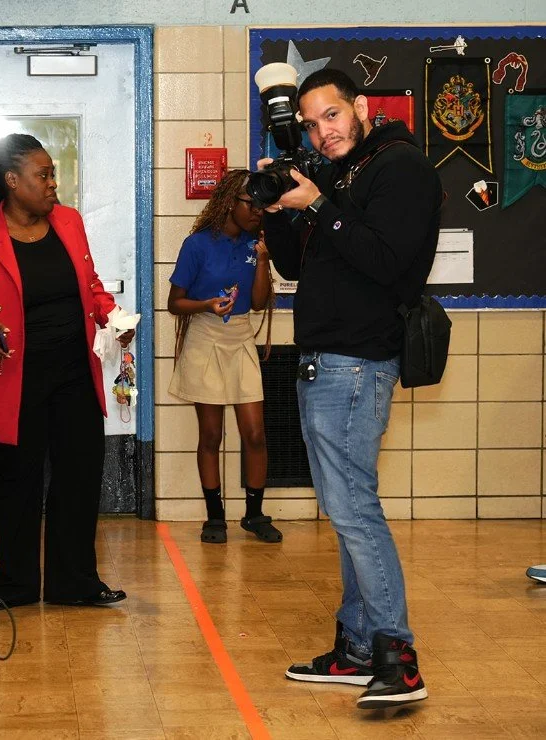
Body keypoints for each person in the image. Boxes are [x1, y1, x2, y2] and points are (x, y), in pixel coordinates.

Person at [262, 68, 440, 708]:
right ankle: (359, 650)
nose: (322, 131)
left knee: (355, 512)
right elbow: (291, 263)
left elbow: (388, 261)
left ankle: (399, 657)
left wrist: (316, 205)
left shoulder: (401, 169)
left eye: (331, 116)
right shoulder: (341, 176)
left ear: (361, 107)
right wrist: (281, 207)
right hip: (325, 360)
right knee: (347, 512)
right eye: (310, 123)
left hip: (358, 363)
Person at [0, 133, 133, 609]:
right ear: (12, 181)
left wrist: (112, 316)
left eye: (53, 174)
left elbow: (89, 285)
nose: (54, 184)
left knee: (80, 474)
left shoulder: (68, 222)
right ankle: (15, 585)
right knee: (19, 479)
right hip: (13, 377)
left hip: (73, 370)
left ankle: (76, 582)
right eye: (43, 175)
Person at [166, 169, 280, 545]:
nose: (258, 212)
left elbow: (260, 302)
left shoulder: (255, 243)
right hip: (205, 335)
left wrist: (263, 260)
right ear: (230, 202)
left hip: (240, 336)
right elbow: (174, 303)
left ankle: (254, 514)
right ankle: (215, 516)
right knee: (211, 433)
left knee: (255, 433)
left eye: (263, 205)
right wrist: (206, 304)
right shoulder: (197, 245)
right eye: (252, 204)